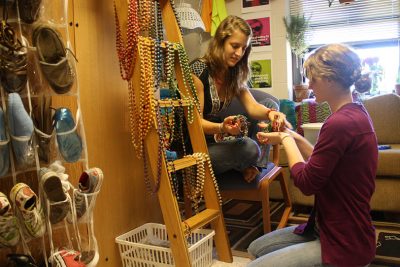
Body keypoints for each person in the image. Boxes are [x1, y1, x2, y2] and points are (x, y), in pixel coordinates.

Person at [248, 43, 378, 267]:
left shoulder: (340, 123)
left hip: (345, 243)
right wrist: (293, 136)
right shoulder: (355, 111)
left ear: (329, 79)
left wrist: (286, 140)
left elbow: (307, 182)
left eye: (313, 79)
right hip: (325, 228)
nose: (309, 86)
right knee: (256, 250)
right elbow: (323, 163)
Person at [190, 15, 288, 183]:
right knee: (249, 148)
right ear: (220, 42)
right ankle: (249, 163)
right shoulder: (197, 71)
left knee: (270, 104)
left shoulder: (234, 73)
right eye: (235, 46)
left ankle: (253, 166)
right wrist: (222, 127)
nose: (239, 54)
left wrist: (271, 114)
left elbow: (253, 107)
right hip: (197, 148)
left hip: (220, 140)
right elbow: (194, 123)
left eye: (244, 48)